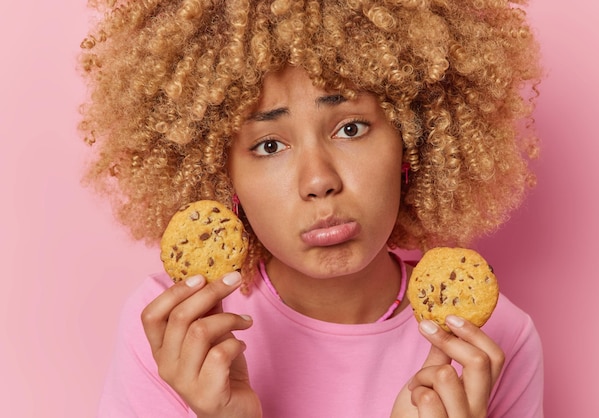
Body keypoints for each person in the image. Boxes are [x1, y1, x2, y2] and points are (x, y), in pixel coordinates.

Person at [79, 0, 544, 416]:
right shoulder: (174, 331)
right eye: (268, 145)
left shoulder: (493, 341)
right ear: (224, 177)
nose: (319, 180)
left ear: (411, 140)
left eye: (351, 129)